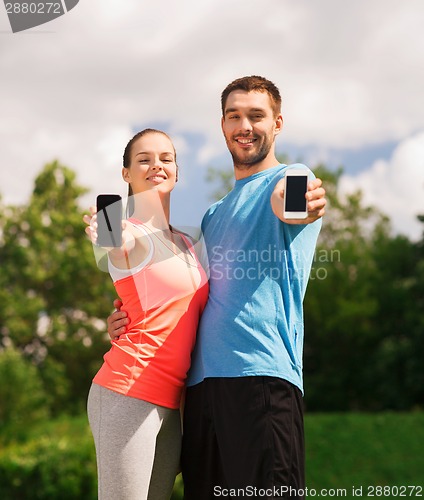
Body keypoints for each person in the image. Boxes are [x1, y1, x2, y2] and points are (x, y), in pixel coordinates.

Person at [108, 76, 326, 499]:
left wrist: (302, 205)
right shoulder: (213, 215)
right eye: (234, 115)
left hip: (260, 379)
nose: (245, 125)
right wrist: (126, 317)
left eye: (256, 115)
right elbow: (185, 295)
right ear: (223, 125)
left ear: (277, 123)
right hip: (200, 393)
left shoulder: (293, 176)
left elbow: (297, 204)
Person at [84, 128, 209, 500]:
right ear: (127, 174)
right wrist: (107, 232)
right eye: (144, 159)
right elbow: (118, 245)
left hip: (172, 406)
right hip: (127, 393)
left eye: (166, 158)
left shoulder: (189, 242)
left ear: (177, 170)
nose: (156, 165)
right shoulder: (130, 234)